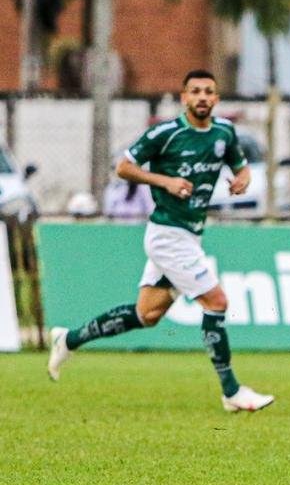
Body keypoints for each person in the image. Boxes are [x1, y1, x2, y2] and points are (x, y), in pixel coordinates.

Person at [47, 69, 274, 413]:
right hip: (167, 236)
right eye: (194, 91)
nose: (201, 97)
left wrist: (242, 179)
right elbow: (123, 167)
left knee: (147, 314)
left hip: (190, 236)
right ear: (183, 98)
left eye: (208, 91)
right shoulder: (166, 134)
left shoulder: (225, 132)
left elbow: (241, 168)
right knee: (216, 302)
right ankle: (231, 391)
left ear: (216, 99)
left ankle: (69, 339)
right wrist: (164, 181)